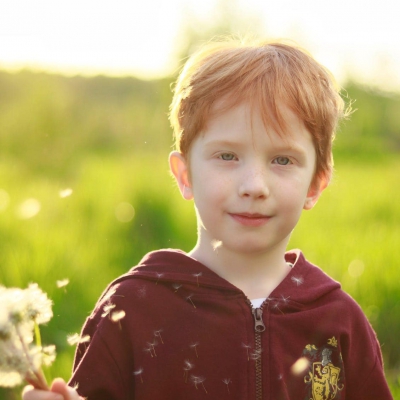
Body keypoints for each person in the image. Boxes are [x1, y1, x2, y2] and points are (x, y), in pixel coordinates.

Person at [23, 38, 393, 400]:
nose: (254, 186)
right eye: (227, 156)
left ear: (315, 184)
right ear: (185, 175)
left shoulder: (338, 321)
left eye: (282, 160)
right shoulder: (130, 311)